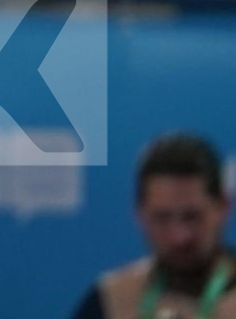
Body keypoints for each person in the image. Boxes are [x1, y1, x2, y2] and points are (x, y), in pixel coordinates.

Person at [71, 133, 236, 319]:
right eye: (162, 218)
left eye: (192, 217)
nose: (179, 236)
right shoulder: (109, 302)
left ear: (223, 207)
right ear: (139, 213)